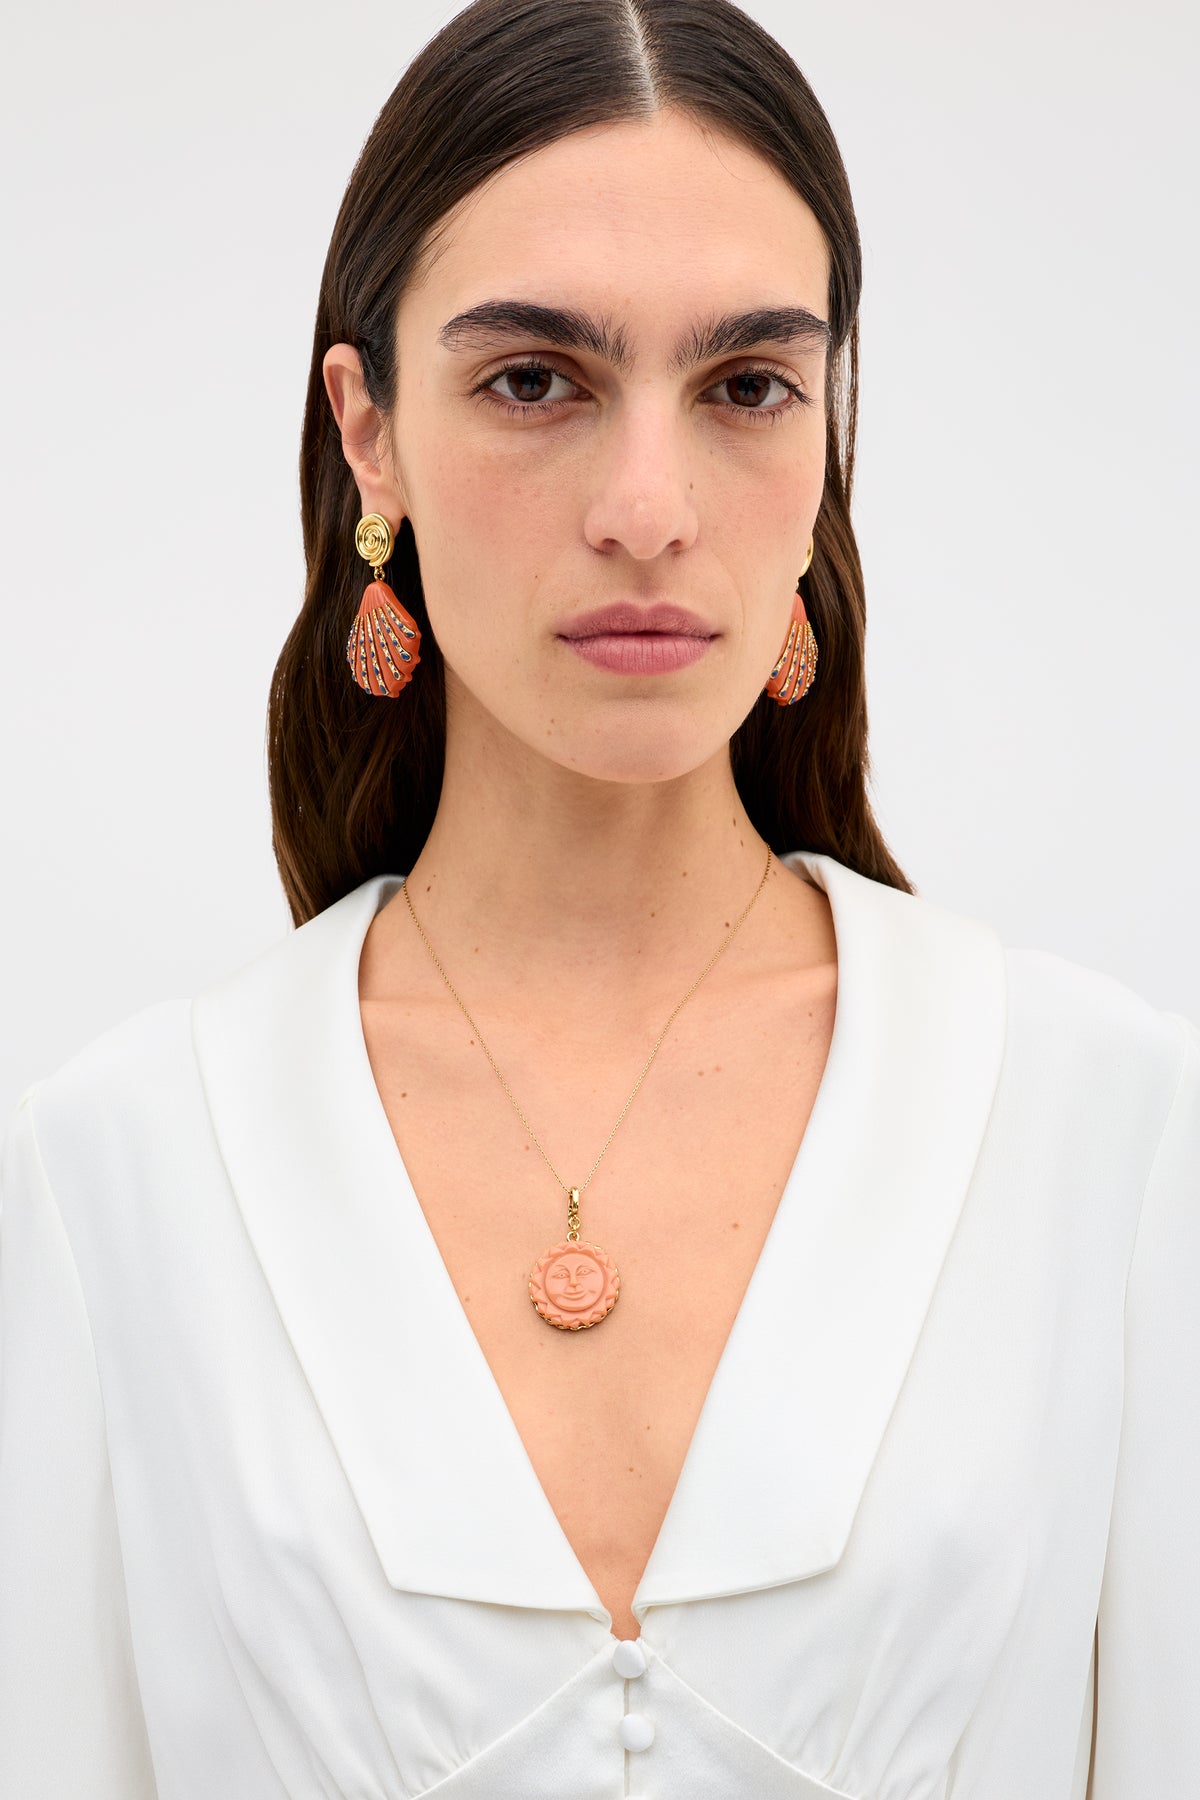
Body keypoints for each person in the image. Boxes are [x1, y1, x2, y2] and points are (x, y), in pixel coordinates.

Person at [1, 0, 1195, 1794]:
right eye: (535, 381)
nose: (649, 508)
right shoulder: (121, 1167)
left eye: (745, 386)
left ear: (826, 435)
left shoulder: (1104, 1117)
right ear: (369, 432)